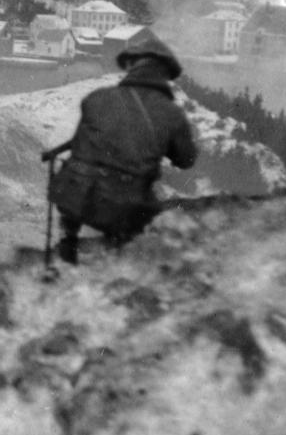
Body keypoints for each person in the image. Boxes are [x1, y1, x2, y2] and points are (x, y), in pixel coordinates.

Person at [41, 34, 197, 264]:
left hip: (73, 197)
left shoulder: (96, 98)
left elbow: (82, 142)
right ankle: (120, 254)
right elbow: (186, 160)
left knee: (80, 170)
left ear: (131, 66)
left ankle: (68, 237)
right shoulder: (172, 114)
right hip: (123, 205)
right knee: (149, 217)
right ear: (164, 74)